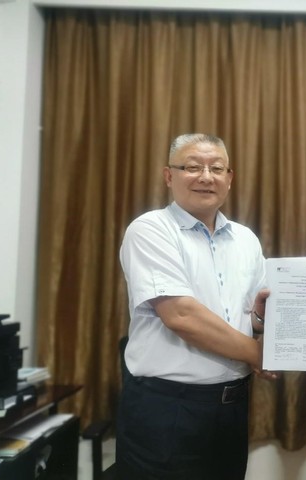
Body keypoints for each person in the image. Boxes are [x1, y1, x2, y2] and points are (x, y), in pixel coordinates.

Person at [116, 133, 275, 480]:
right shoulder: (151, 230)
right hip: (167, 409)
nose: (206, 177)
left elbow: (248, 316)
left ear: (229, 178)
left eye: (217, 168)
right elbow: (181, 316)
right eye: (192, 167)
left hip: (233, 408)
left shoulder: (246, 239)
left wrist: (265, 325)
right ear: (169, 176)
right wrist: (260, 354)